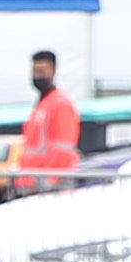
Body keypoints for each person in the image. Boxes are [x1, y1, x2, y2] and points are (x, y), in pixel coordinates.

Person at [16, 50, 81, 187]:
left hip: (48, 187)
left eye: (42, 71)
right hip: (32, 183)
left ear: (53, 71)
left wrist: (48, 183)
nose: (38, 76)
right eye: (35, 71)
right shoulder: (42, 105)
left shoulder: (60, 104)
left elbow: (62, 150)